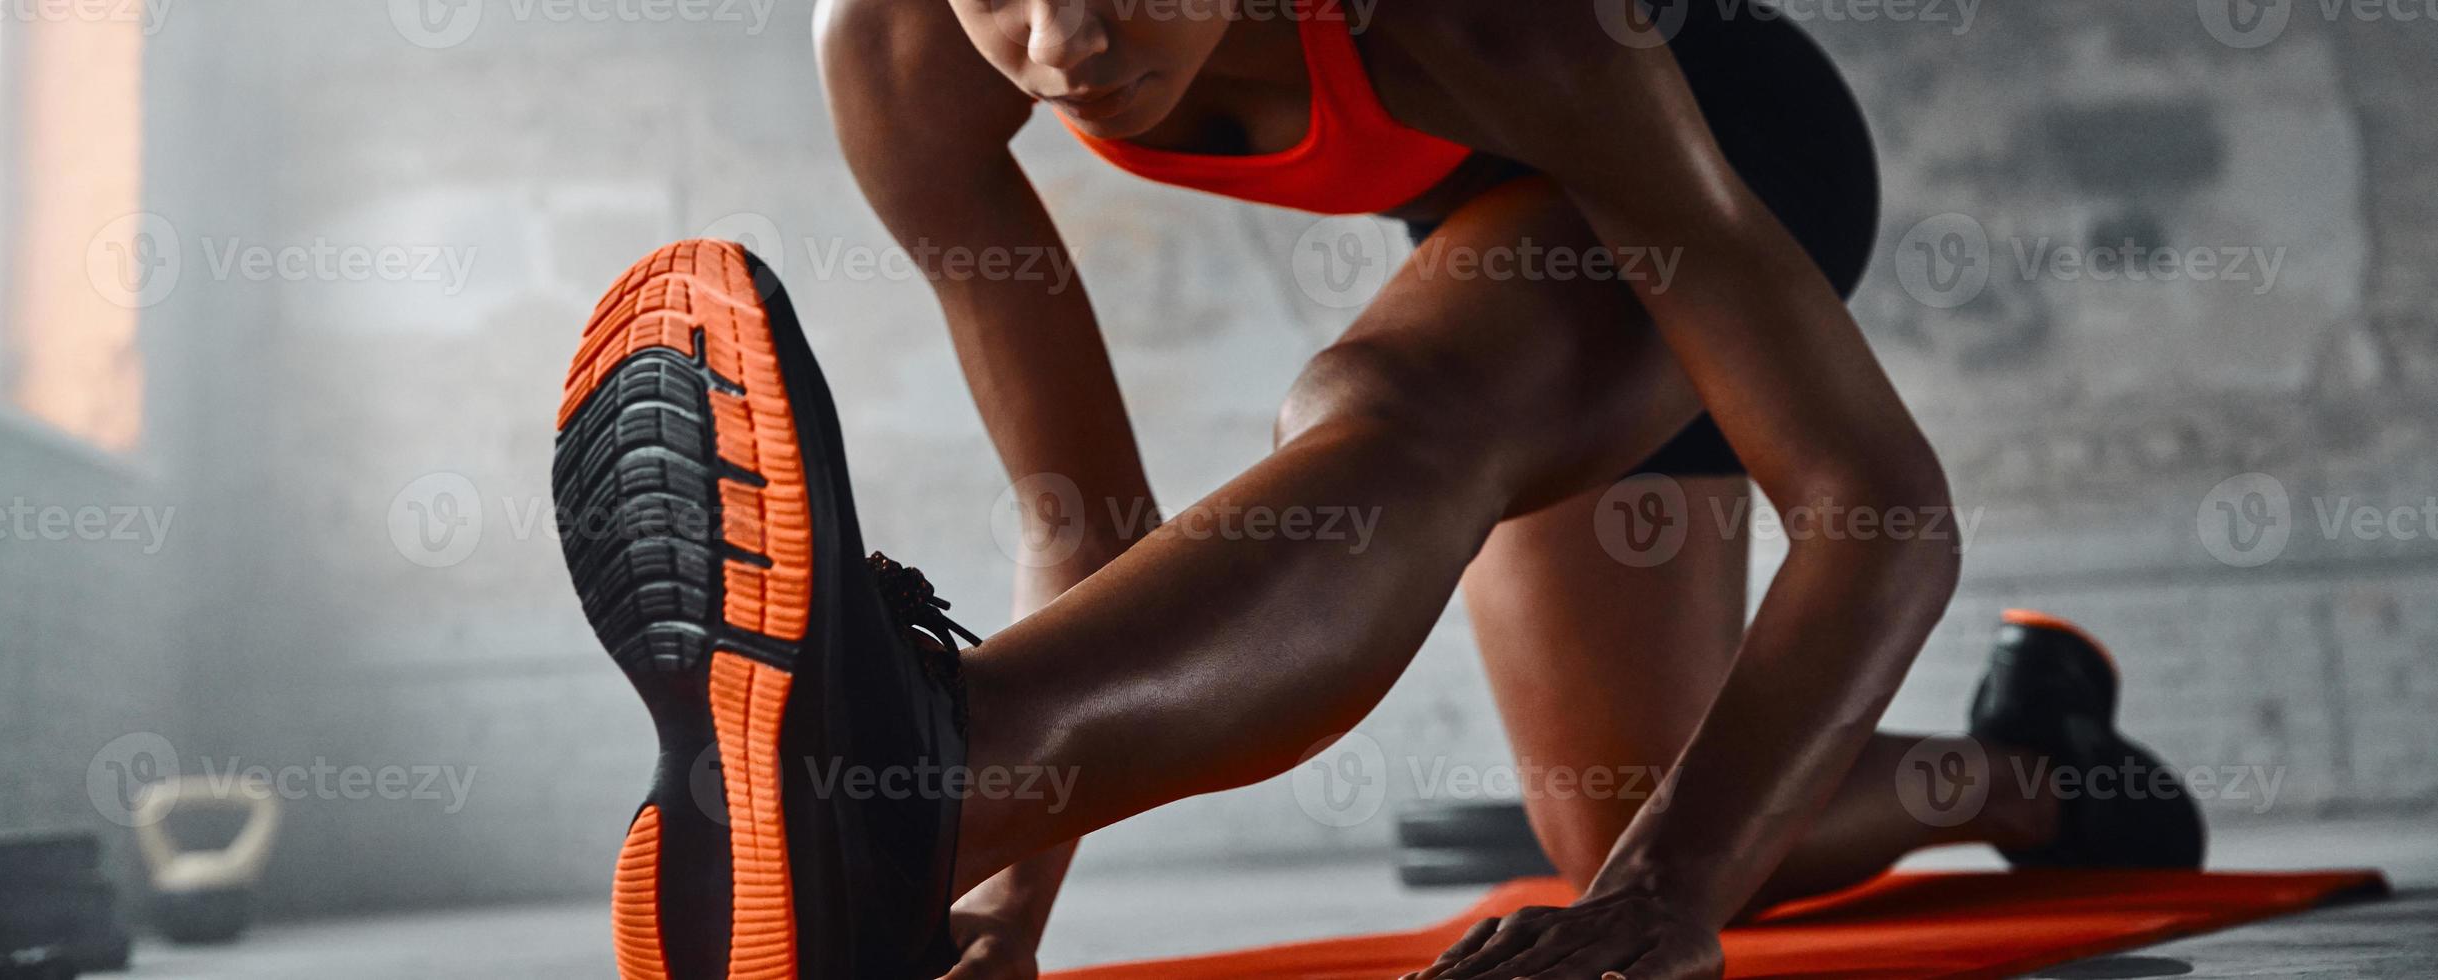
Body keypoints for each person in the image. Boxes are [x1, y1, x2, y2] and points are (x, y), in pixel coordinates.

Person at [551, 2, 2205, 977]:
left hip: (1722, 160)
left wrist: (1665, 905)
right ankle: (2032, 768)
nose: (1063, 43)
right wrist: (998, 895)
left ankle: (896, 782)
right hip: (1486, 207)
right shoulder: (903, 43)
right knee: (1612, 806)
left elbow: (1877, 511)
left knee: (1384, 412)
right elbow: (1079, 509)